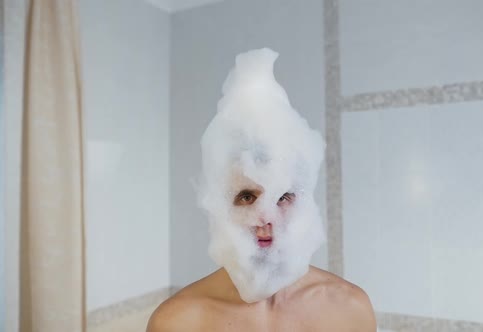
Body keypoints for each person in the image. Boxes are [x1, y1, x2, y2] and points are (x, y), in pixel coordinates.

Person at [147, 48, 376, 332]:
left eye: (282, 197)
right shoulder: (178, 321)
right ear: (221, 207)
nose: (266, 216)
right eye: (246, 196)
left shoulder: (348, 309)